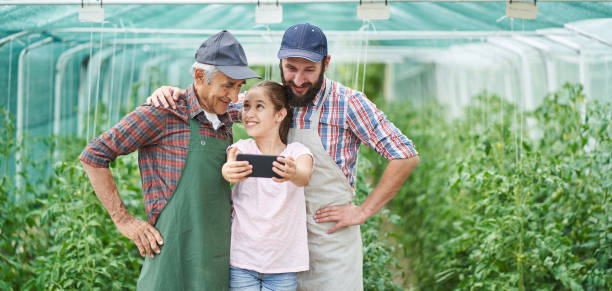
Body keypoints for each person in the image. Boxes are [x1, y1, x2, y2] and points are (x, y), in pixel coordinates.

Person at [147, 23, 420, 291]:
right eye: (290, 68)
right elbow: (213, 100)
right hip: (269, 251)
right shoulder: (270, 99)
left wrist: (364, 211)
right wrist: (175, 95)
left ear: (326, 63)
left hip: (329, 246)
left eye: (309, 70)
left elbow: (405, 155)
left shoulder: (348, 103)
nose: (298, 80)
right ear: (280, 62)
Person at [79, 30, 260, 290]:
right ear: (199, 76)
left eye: (239, 87)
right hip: (170, 262)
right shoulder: (164, 112)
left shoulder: (226, 113)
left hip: (213, 262)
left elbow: (272, 103)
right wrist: (124, 220)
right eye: (228, 85)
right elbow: (94, 154)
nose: (233, 96)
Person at [222, 81, 314, 291]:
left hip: (283, 265)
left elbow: (304, 176)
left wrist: (292, 173)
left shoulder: (297, 152)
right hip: (242, 261)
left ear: (280, 114)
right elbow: (229, 166)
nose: (249, 113)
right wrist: (227, 171)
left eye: (259, 106)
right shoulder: (240, 148)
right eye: (246, 106)